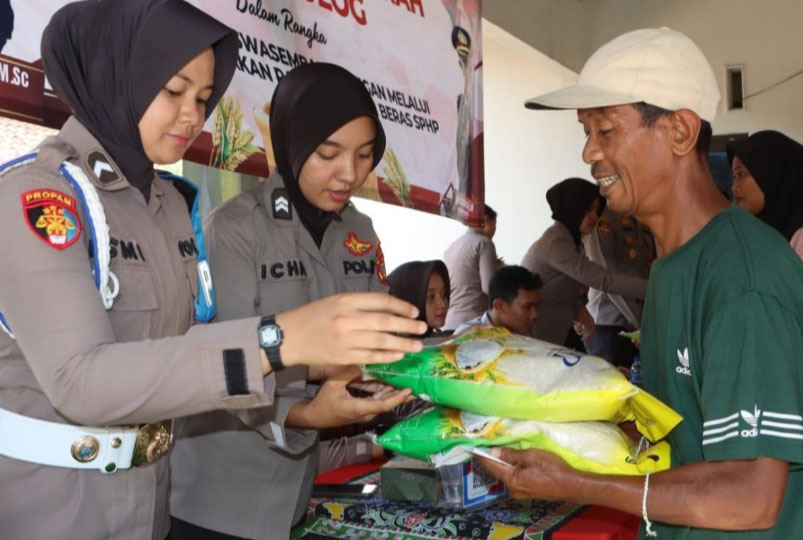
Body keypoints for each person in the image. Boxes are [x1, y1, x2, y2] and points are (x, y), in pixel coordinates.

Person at [0, 3, 425, 539]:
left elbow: (187, 346)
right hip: (53, 509)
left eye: (203, 98)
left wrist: (319, 367)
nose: (192, 116)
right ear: (113, 76)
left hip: (149, 502)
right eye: (173, 91)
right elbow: (80, 380)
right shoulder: (38, 199)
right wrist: (279, 340)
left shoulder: (167, 205)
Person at [481, 27, 803, 539]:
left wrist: (579, 483)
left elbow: (753, 496)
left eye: (606, 131)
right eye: (584, 132)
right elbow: (681, 432)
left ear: (679, 132)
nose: (589, 153)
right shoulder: (672, 265)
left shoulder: (743, 277)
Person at [169, 62, 414, 540]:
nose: (350, 173)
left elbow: (368, 343)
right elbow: (227, 367)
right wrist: (312, 412)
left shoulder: (359, 231)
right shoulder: (236, 230)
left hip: (296, 495)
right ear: (293, 144)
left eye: (365, 155)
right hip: (217, 500)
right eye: (328, 153)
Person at [521, 178, 648, 347]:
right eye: (588, 209)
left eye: (596, 210)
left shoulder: (573, 240)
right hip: (537, 334)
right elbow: (605, 280)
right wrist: (654, 288)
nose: (595, 216)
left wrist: (579, 308)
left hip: (555, 332)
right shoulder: (555, 244)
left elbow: (563, 287)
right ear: (572, 208)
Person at [583, 208, 655, 367]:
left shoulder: (643, 215)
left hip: (640, 327)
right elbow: (607, 279)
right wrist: (639, 322)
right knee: (612, 388)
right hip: (610, 326)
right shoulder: (603, 216)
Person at [727, 130, 803, 260]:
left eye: (741, 174)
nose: (734, 187)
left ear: (774, 174)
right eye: (734, 176)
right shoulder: (748, 231)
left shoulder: (799, 238)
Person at [443, 204, 502, 330]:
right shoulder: (484, 243)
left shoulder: (451, 247)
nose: (495, 229)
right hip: (472, 324)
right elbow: (490, 288)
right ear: (486, 220)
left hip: (449, 323)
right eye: (495, 224)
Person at [453, 265, 542, 336]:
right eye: (527, 307)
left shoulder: (522, 336)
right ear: (499, 306)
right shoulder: (468, 337)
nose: (534, 315)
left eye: (536, 307)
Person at [388, 259, 451, 337]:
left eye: (443, 294)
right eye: (431, 297)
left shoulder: (433, 337)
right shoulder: (390, 346)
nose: (443, 304)